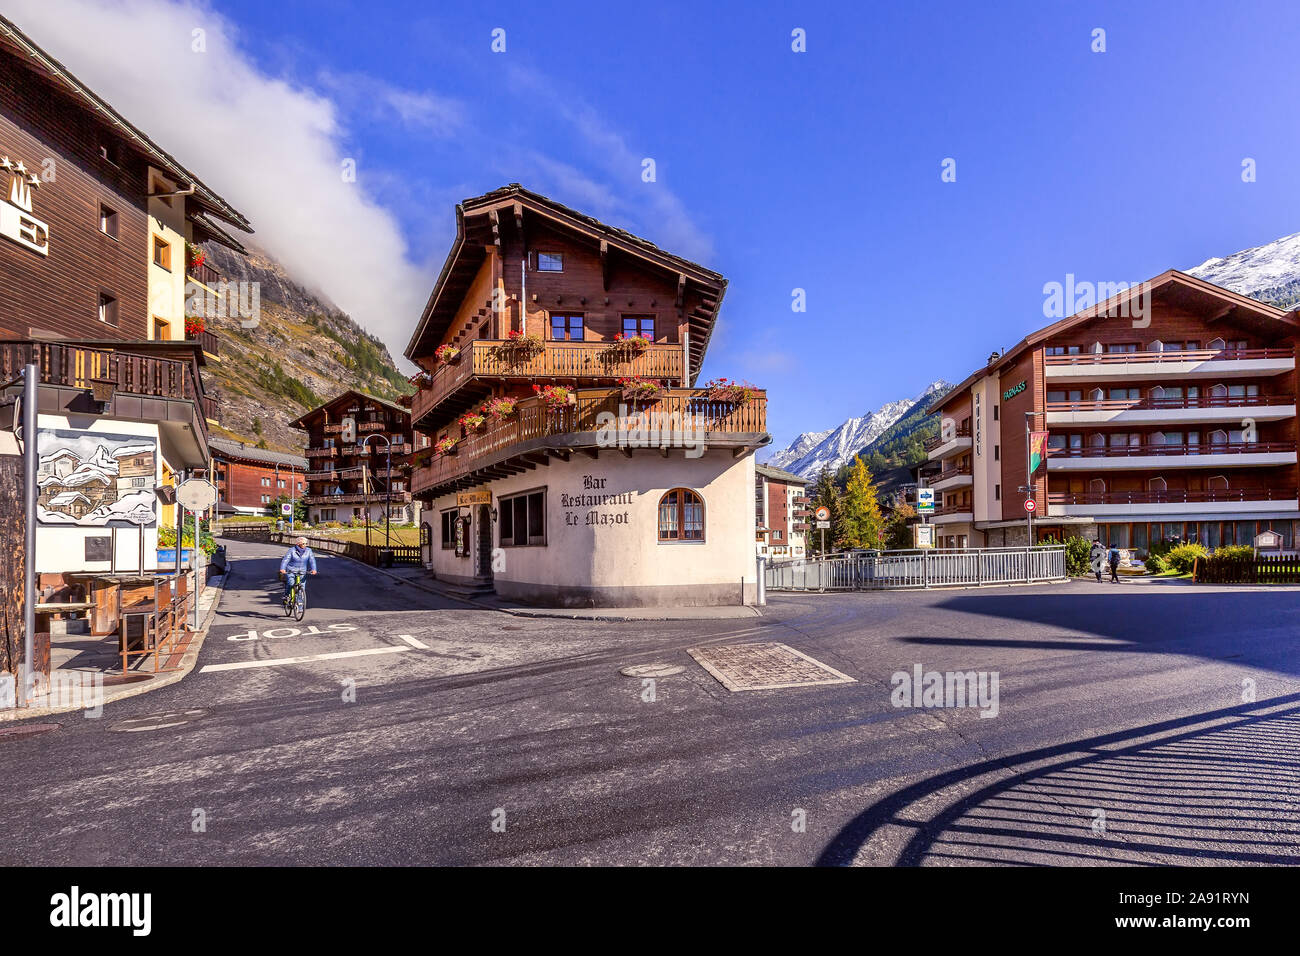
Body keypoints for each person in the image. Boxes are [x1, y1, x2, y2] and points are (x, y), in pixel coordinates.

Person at [279, 536, 317, 601]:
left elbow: (312, 560)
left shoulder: (309, 551)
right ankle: (286, 595)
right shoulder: (292, 550)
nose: (305, 545)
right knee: (291, 583)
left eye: (306, 543)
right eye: (303, 544)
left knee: (301, 588)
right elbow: (286, 560)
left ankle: (300, 607)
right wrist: (282, 568)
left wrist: (314, 569)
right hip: (291, 570)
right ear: (298, 544)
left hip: (302, 571)